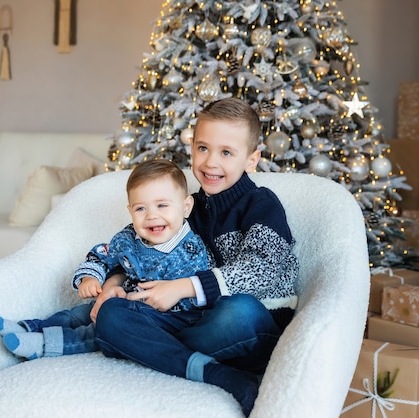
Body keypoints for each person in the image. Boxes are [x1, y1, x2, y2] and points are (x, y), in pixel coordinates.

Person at [94, 97, 299, 416]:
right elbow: (135, 245)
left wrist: (183, 287)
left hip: (251, 326)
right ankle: (215, 373)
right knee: (111, 314)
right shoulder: (185, 206)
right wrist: (113, 284)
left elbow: (262, 269)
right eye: (202, 148)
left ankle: (141, 345)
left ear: (252, 159)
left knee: (239, 310)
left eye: (226, 152)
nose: (210, 162)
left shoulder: (261, 204)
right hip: (190, 322)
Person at [0, 159, 213, 361]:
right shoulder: (128, 238)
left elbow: (186, 302)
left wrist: (127, 300)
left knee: (98, 329)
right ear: (130, 211)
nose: (151, 215)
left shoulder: (191, 252)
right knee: (79, 313)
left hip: (157, 321)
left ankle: (42, 345)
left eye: (162, 205)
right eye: (141, 208)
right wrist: (90, 277)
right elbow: (102, 255)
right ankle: (29, 327)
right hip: (119, 302)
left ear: (186, 207)